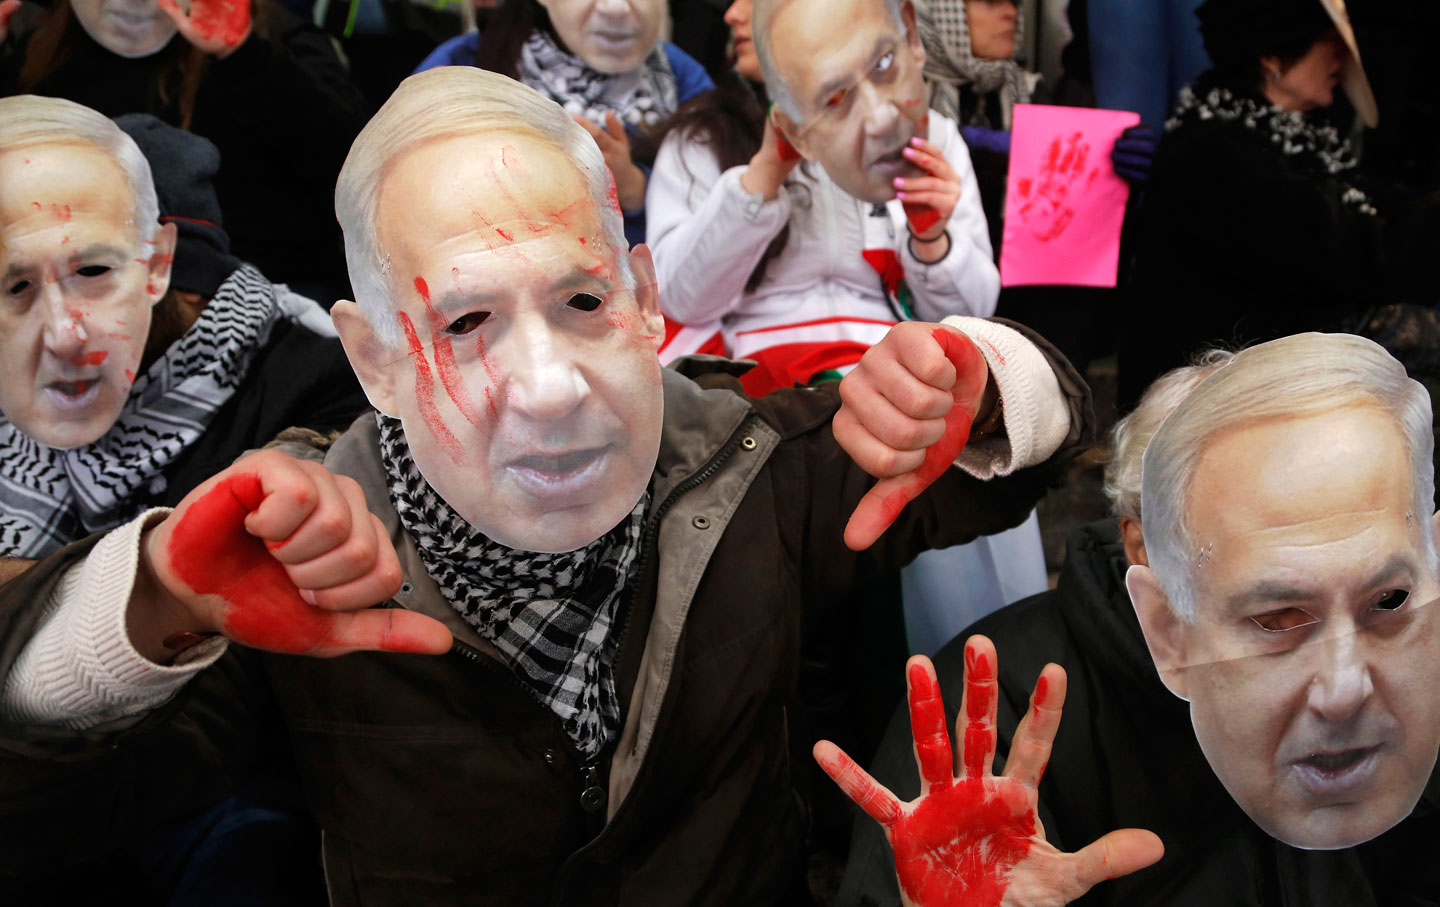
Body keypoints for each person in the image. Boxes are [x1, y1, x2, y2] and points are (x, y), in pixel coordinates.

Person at [0, 67, 1091, 904]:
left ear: (646, 298)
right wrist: (146, 607)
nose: (552, 386)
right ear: (375, 361)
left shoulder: (749, 456)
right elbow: (50, 817)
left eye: (582, 302)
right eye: (466, 321)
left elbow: (1024, 457)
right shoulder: (296, 563)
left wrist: (982, 382)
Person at [842, 334, 1440, 905]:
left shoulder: (1415, 656)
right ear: (1141, 546)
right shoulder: (993, 699)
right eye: (1280, 614)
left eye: (1384, 598)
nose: (1343, 686)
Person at [0, 97, 367, 566]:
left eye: (93, 273)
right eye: (18, 287)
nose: (65, 333)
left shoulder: (322, 385)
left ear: (163, 270)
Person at [647, 0, 999, 397]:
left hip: (901, 372)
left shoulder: (931, 138)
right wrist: (763, 174)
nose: (735, 13)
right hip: (759, 390)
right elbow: (678, 301)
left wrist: (932, 242)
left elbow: (972, 317)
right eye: (834, 97)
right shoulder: (702, 138)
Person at [1115, 0, 1440, 409]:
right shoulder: (1218, 155)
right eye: (1330, 43)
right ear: (1272, 56)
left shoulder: (1290, 136)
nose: (1342, 58)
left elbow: (1373, 204)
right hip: (1213, 409)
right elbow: (1354, 252)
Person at [0, 0, 371, 303]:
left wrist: (244, 56)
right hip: (91, 290)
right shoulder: (40, 53)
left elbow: (355, 167)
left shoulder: (276, 36)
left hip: (267, 289)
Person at [414, 0, 713, 249]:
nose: (616, 8)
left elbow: (714, 226)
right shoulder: (461, 67)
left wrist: (636, 188)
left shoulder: (681, 77)